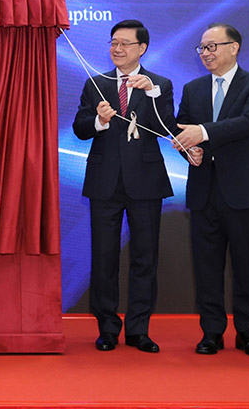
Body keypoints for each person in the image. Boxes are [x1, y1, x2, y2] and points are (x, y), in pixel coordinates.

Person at [72, 19, 177, 353]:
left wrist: (153, 93)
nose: (117, 49)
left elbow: (166, 127)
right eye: (113, 42)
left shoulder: (159, 84)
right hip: (105, 182)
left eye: (125, 43)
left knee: (144, 258)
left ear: (142, 48)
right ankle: (106, 327)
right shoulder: (96, 84)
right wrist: (100, 120)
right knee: (104, 258)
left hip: (145, 182)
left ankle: (138, 329)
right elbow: (80, 129)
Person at [172, 23, 249, 357]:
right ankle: (211, 332)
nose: (206, 53)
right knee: (206, 266)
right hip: (204, 189)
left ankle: (248, 332)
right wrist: (190, 149)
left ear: (234, 47)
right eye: (202, 48)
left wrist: (203, 133)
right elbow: (182, 129)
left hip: (244, 189)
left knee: (246, 265)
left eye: (213, 46)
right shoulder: (192, 88)